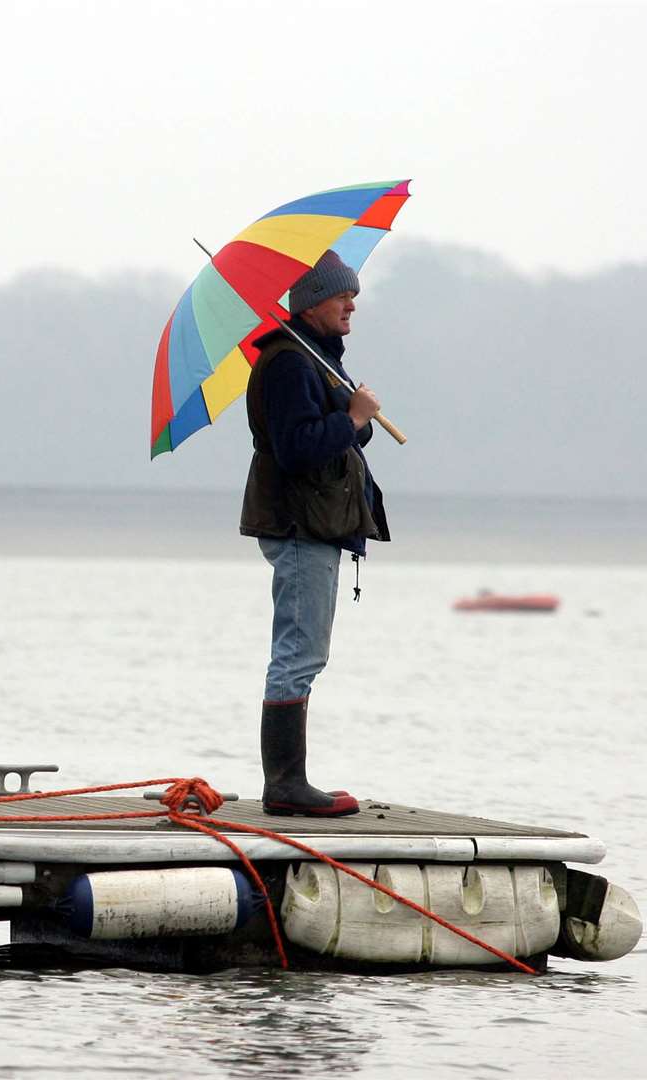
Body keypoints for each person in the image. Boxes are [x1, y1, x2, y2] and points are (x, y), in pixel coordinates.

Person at [239, 249, 391, 817]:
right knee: (298, 653)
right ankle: (285, 784)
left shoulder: (318, 360)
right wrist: (351, 417)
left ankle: (289, 782)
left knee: (305, 651)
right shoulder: (288, 363)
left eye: (352, 294)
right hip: (300, 524)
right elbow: (299, 447)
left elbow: (339, 442)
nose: (351, 304)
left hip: (316, 524)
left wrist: (357, 418)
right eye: (340, 295)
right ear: (309, 303)